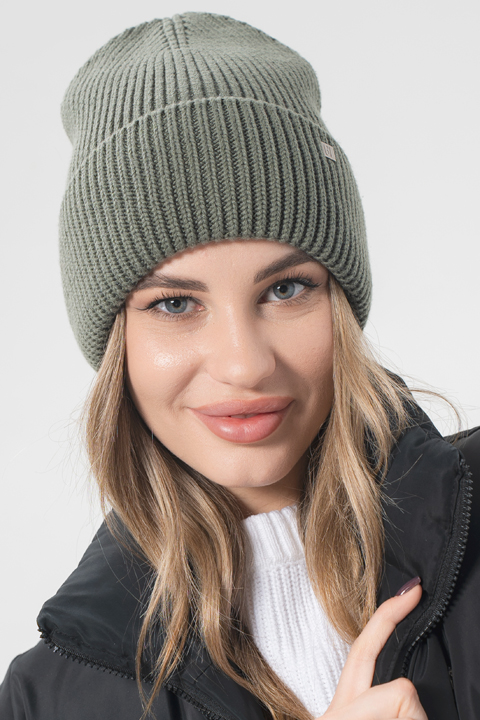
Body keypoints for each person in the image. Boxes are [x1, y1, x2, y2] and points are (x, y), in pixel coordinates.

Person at [0, 11, 479, 720]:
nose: (244, 364)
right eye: (173, 303)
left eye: (286, 290)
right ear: (116, 344)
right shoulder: (45, 701)